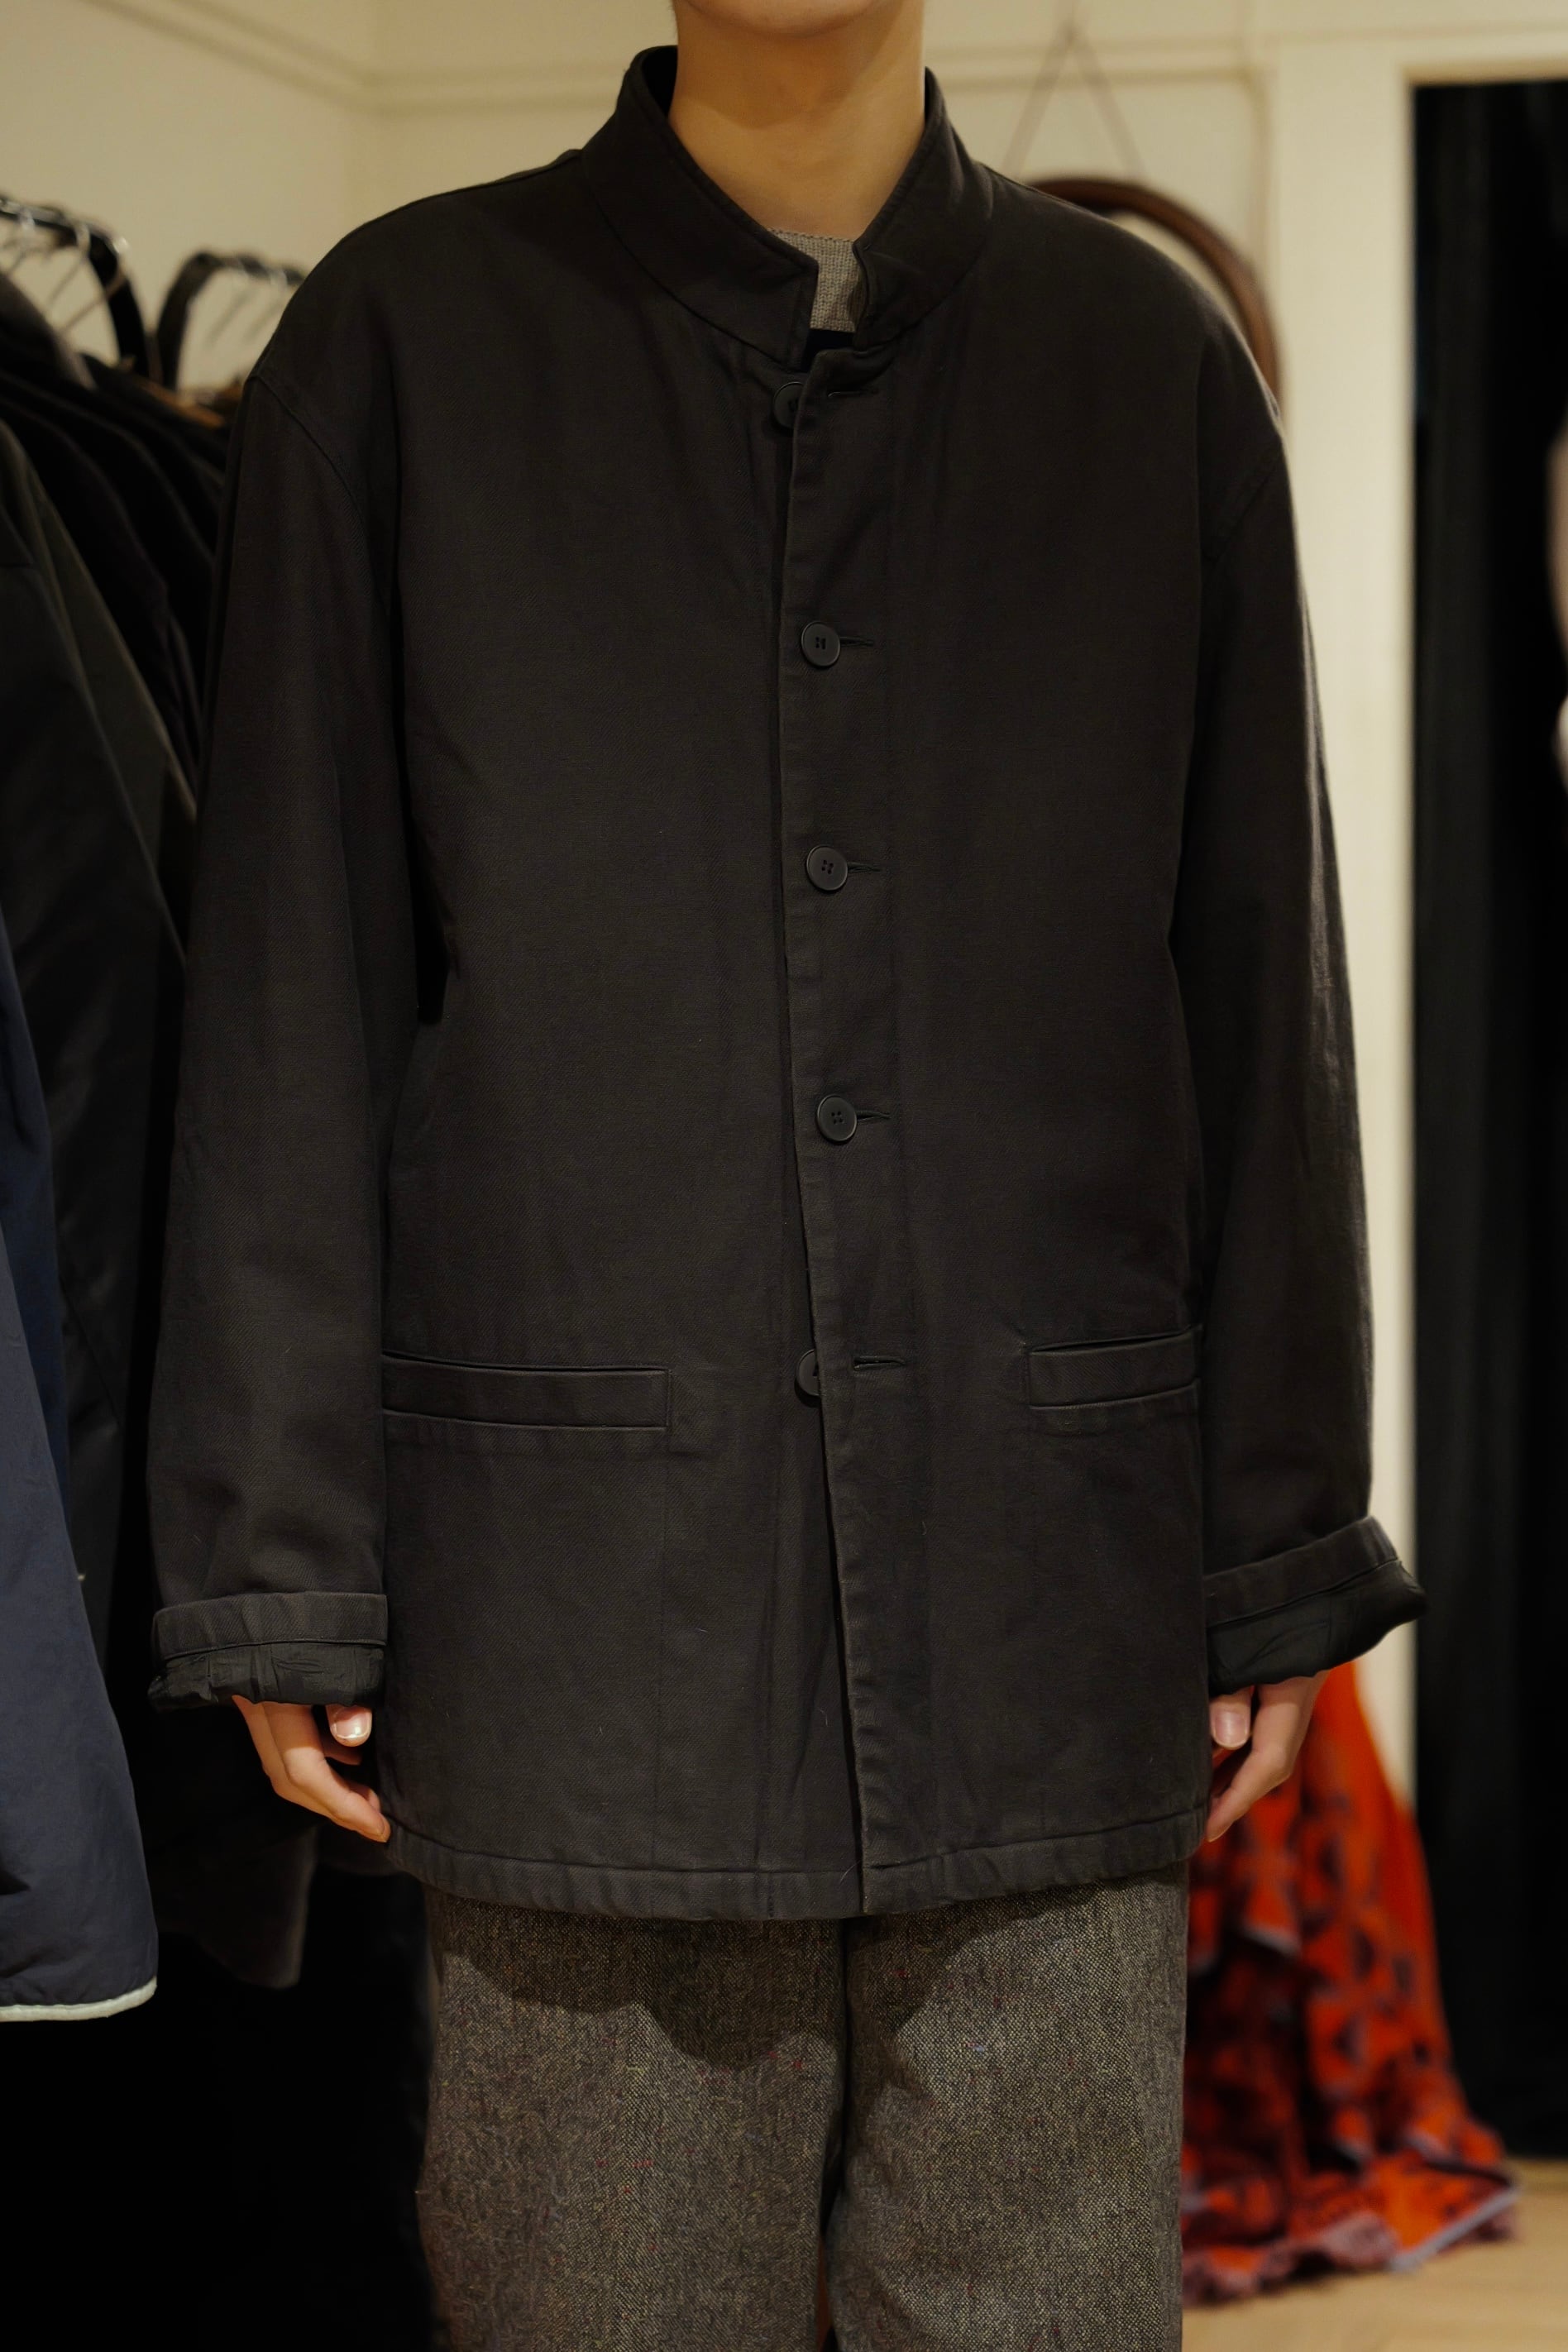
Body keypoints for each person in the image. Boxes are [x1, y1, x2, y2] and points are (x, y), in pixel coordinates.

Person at [146, 2, 1423, 2344]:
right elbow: (287, 993)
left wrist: (1274, 1542)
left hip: (1047, 1600)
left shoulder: (1142, 364)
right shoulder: (404, 345)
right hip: (579, 1630)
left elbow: (1266, 989)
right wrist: (279, 1557)